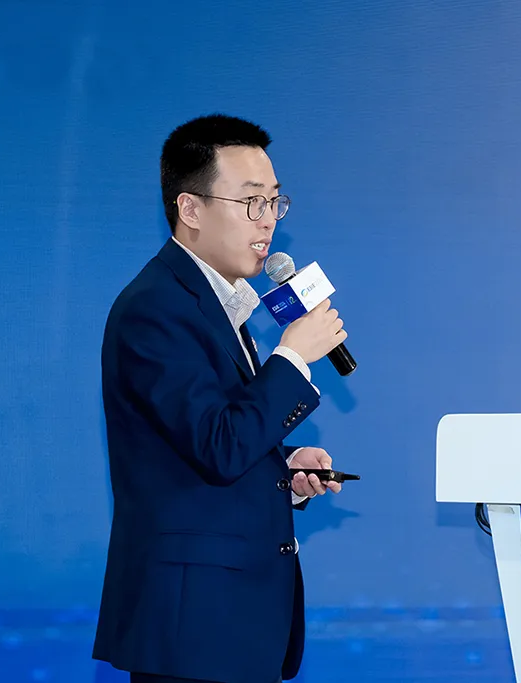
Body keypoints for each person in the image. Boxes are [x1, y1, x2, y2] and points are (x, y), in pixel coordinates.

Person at [92, 114, 347, 683]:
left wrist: (284, 469)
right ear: (190, 209)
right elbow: (219, 445)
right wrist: (293, 357)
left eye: (274, 202)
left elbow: (205, 439)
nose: (268, 220)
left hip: (231, 626)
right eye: (250, 201)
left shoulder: (217, 305)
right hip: (193, 629)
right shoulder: (156, 308)